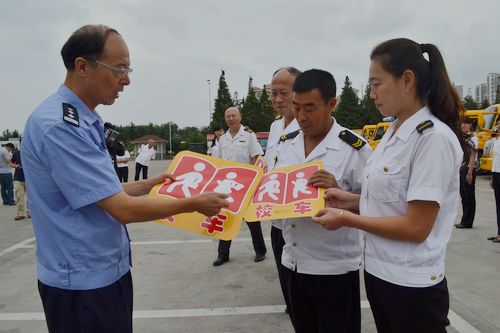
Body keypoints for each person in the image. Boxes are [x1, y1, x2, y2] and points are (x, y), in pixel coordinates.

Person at [21, 24, 229, 333]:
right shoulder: (61, 126)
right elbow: (122, 209)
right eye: (119, 69)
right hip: (82, 282)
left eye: (129, 69)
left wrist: (147, 184)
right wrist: (191, 204)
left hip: (102, 271)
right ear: (82, 66)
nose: (126, 80)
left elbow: (98, 190)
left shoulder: (84, 119)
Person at [313, 38, 465, 332]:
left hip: (411, 286)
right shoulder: (393, 132)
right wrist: (348, 199)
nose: (372, 94)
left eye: (376, 84)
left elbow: (416, 227)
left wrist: (345, 219)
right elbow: (392, 201)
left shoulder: (431, 139)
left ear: (407, 80)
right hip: (380, 274)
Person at [276, 69, 371, 333]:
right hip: (293, 262)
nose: (301, 117)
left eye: (310, 108)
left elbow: (378, 205)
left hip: (334, 270)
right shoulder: (287, 144)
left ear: (332, 104)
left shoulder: (354, 149)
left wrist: (340, 193)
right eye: (296, 108)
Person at [265, 66, 301, 315]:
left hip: (300, 222)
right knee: (284, 276)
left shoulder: (310, 126)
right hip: (276, 220)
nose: (278, 100)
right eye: (273, 93)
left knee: (302, 287)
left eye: (284, 93)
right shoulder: (276, 126)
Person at [212, 107, 267, 266]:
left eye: (233, 115)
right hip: (228, 187)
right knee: (226, 218)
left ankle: (260, 251)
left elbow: (255, 156)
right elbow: (220, 161)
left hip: (245, 184)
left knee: (251, 219)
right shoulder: (222, 138)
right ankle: (223, 255)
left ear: (240, 117)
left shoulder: (249, 135)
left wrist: (250, 177)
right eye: (228, 116)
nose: (231, 118)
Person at [455, 120, 477, 229]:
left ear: (470, 125)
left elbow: (473, 156)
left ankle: (468, 222)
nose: (463, 125)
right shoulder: (462, 138)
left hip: (469, 169)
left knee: (469, 197)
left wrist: (469, 173)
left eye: (466, 123)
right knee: (464, 196)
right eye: (462, 123)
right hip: (462, 168)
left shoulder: (473, 138)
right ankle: (464, 220)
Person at [8, 139, 30, 220]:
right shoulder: (16, 153)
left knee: (31, 198)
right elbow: (10, 163)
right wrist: (15, 166)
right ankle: (20, 214)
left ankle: (30, 213)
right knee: (19, 197)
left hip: (30, 179)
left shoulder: (31, 153)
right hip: (18, 178)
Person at [490, 130, 500, 243]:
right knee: (498, 205)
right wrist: (492, 177)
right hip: (496, 174)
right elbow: (495, 160)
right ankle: (499, 232)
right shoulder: (496, 140)